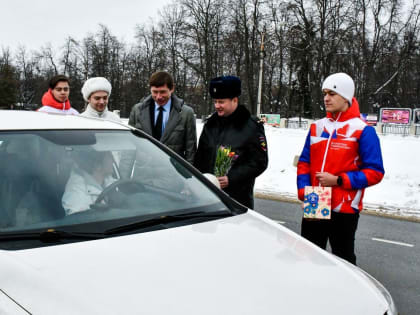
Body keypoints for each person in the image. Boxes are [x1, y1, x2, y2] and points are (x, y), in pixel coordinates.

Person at [297, 72, 385, 265]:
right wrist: (304, 191)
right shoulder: (318, 127)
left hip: (344, 204)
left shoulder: (363, 130)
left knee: (343, 259)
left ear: (346, 97)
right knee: (309, 256)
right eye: (324, 93)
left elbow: (375, 172)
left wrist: (338, 180)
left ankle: (346, 294)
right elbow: (305, 162)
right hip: (316, 199)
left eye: (332, 94)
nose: (326, 98)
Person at [194, 76, 268, 209]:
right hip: (209, 196)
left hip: (237, 199)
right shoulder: (210, 125)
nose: (217, 106)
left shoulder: (251, 126)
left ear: (234, 100)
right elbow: (200, 157)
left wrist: (231, 178)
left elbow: (259, 162)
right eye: (215, 101)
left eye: (221, 102)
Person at [128, 71, 197, 164]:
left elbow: (191, 151)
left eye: (162, 92)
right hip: (143, 172)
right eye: (155, 92)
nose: (158, 97)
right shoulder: (137, 111)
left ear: (172, 88)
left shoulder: (186, 113)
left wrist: (189, 177)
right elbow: (129, 147)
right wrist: (124, 174)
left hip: (173, 172)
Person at [62, 151, 116, 215]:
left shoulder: (108, 180)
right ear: (97, 166)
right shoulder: (75, 192)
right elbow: (77, 221)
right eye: (109, 156)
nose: (113, 160)